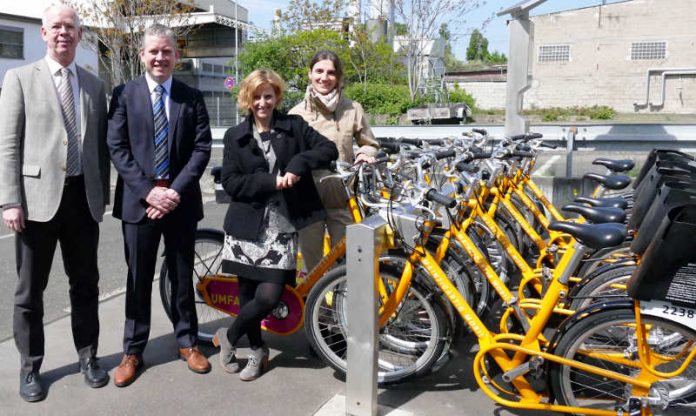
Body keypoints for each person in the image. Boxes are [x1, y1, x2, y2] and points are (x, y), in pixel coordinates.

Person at [0, 4, 110, 402]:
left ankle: (89, 358)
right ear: (44, 33)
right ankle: (30, 367)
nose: (64, 33)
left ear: (81, 36)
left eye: (71, 27)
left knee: (86, 285)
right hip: (35, 203)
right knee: (30, 291)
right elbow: (8, 146)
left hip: (83, 200)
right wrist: (10, 200)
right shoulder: (19, 78)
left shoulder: (94, 85)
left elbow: (100, 149)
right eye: (56, 27)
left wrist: (104, 198)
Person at [212, 69, 338, 381]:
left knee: (268, 297)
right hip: (245, 227)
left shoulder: (294, 126)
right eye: (256, 96)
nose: (262, 102)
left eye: (268, 96)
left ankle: (228, 337)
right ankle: (257, 350)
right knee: (247, 295)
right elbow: (231, 182)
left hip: (282, 226)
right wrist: (271, 181)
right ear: (247, 98)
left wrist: (297, 164)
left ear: (277, 97)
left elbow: (328, 149)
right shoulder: (234, 136)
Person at [107, 24, 212, 387]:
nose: (160, 57)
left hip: (180, 203)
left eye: (167, 51)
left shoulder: (191, 97)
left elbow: (201, 150)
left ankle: (187, 342)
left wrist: (173, 193)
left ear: (177, 56)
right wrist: (150, 192)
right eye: (153, 51)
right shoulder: (124, 94)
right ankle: (133, 350)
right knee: (137, 279)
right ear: (141, 55)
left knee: (182, 277)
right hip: (140, 204)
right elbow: (117, 148)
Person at [288, 50, 379, 273]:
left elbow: (370, 143)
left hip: (342, 196)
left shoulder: (352, 108)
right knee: (313, 267)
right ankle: (314, 307)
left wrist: (365, 153)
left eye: (330, 72)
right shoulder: (296, 114)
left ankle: (341, 308)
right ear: (310, 74)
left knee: (347, 264)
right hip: (308, 198)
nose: (324, 77)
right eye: (319, 71)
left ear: (338, 76)